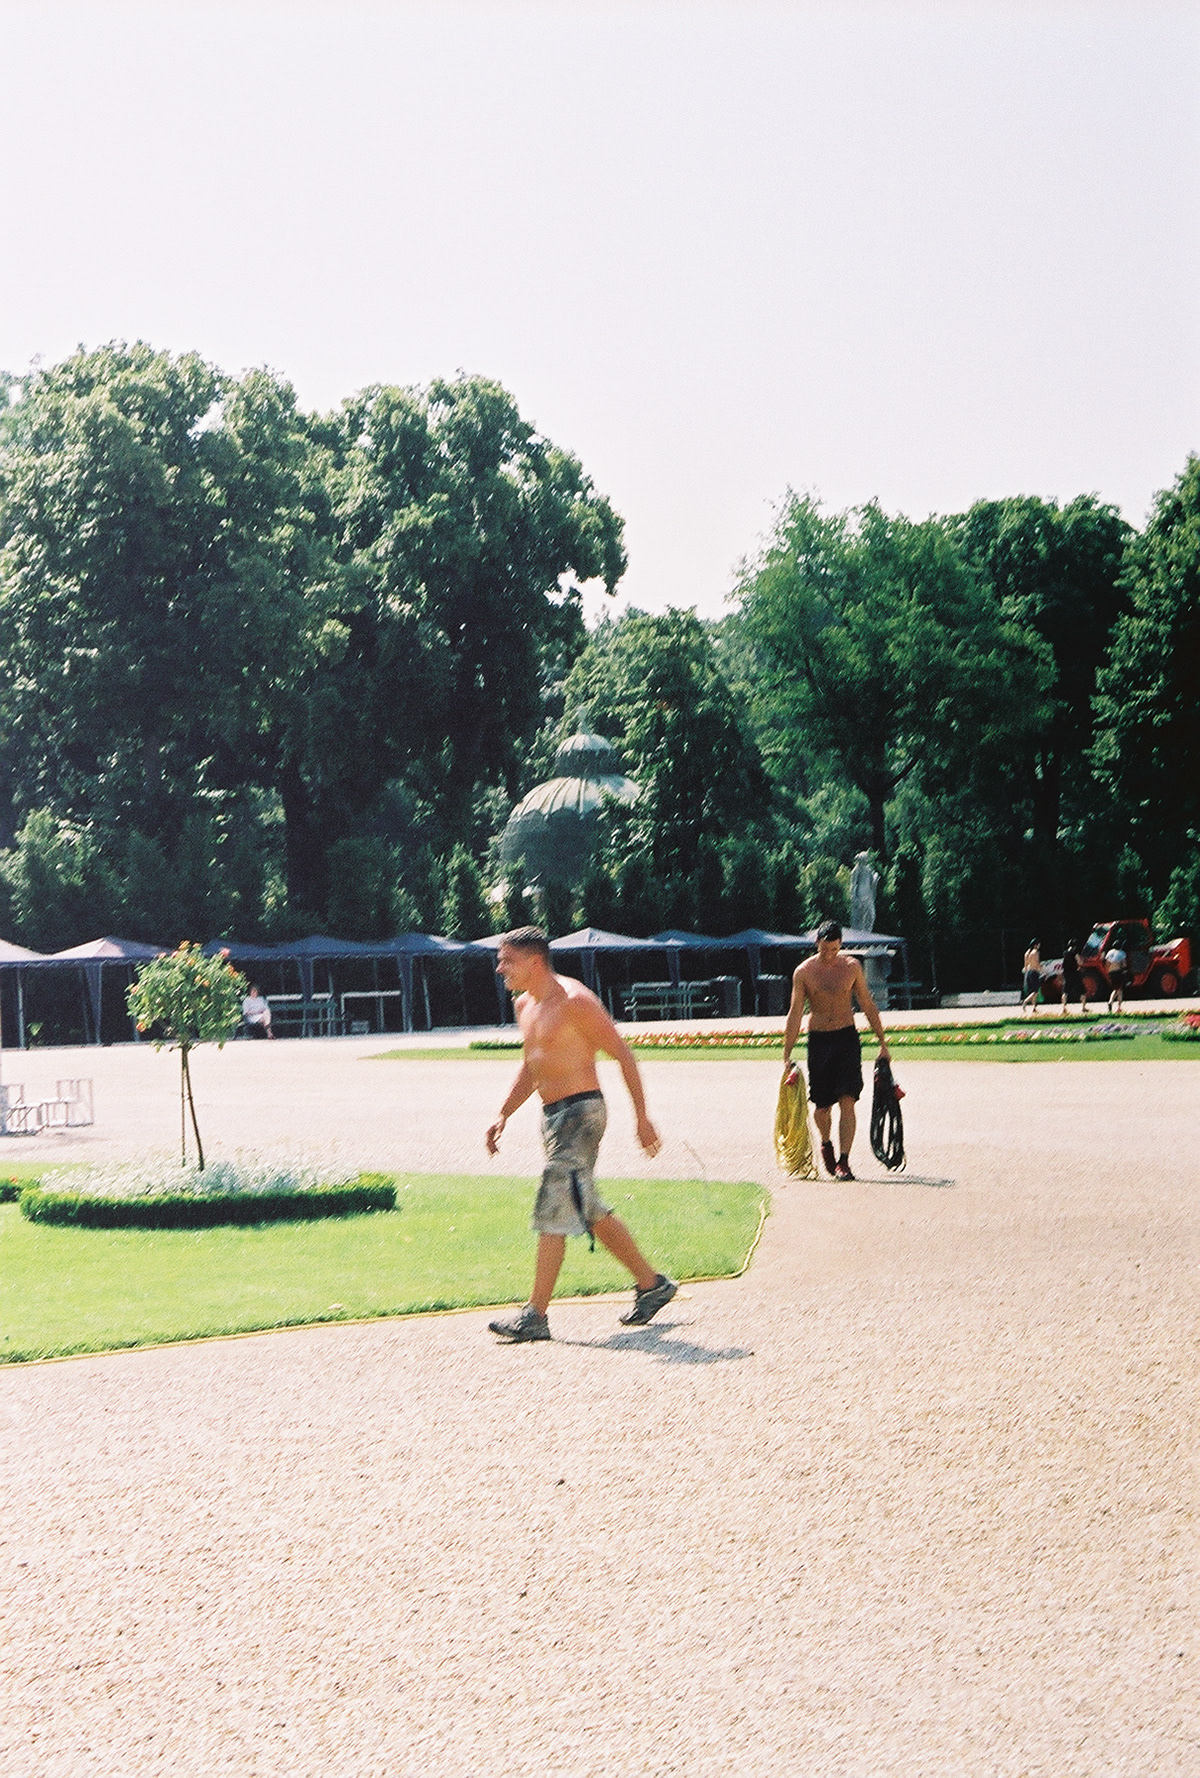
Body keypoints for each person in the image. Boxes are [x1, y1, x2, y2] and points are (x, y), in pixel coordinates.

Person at [484, 927, 676, 1343]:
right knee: (584, 1205)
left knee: (554, 1200)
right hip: (552, 1119)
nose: (500, 969)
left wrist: (642, 1118)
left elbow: (623, 1055)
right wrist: (504, 1113)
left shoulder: (575, 1002)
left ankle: (535, 1315)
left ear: (535, 961)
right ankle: (652, 1285)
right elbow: (533, 1065)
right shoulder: (524, 1005)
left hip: (582, 1113)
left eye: (507, 960)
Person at [782, 919, 890, 1182]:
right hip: (819, 1040)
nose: (829, 955)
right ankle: (826, 1142)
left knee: (848, 1100)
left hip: (846, 1038)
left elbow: (867, 1004)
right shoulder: (804, 972)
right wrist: (787, 1054)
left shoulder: (852, 967)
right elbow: (795, 1012)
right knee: (822, 1108)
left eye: (834, 949)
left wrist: (882, 1043)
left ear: (840, 945)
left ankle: (844, 1161)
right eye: (824, 949)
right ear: (817, 943)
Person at [1060, 940, 1086, 1017]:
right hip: (1074, 973)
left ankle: (1063, 1008)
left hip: (1067, 974)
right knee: (1082, 991)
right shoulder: (1074, 953)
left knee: (1065, 992)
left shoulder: (1065, 953)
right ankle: (1083, 1007)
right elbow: (1080, 962)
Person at [1106, 944, 1127, 1013]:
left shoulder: (1109, 953)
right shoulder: (1122, 953)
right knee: (1120, 990)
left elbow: (1107, 963)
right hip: (1118, 972)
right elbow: (1124, 964)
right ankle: (1119, 1008)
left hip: (1111, 972)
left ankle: (1110, 1001)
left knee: (1115, 989)